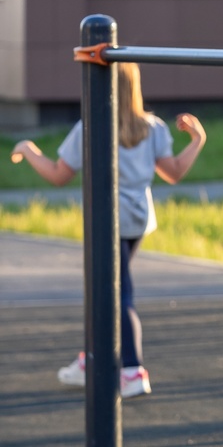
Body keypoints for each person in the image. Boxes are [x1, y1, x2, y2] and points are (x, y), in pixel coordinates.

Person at [11, 62, 207, 397]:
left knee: (117, 291)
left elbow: (60, 174)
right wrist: (198, 140)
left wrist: (28, 150)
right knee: (106, 286)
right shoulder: (153, 127)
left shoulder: (91, 126)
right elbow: (173, 172)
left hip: (108, 217)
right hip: (138, 220)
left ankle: (132, 369)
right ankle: (95, 357)